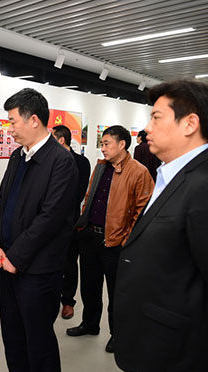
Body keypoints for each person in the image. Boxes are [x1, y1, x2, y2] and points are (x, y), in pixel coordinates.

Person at [112, 80, 208, 372]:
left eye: (156, 117)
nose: (147, 128)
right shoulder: (171, 175)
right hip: (158, 340)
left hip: (178, 349)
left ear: (190, 124)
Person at [0, 88, 78, 372]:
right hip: (7, 260)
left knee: (38, 333)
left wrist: (16, 256)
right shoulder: (18, 156)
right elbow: (1, 201)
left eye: (13, 121)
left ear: (34, 120)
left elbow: (50, 219)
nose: (9, 128)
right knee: (11, 324)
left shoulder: (61, 161)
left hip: (37, 267)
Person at [68, 125, 153, 354]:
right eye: (102, 144)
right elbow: (89, 197)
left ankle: (118, 334)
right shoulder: (100, 167)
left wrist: (127, 239)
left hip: (115, 242)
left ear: (122, 144)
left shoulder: (139, 172)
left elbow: (143, 211)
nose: (103, 148)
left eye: (107, 143)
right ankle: (90, 323)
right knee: (89, 286)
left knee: (117, 292)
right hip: (90, 236)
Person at [51, 124, 91, 320]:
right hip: (48, 223)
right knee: (50, 263)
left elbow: (78, 194)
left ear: (61, 140)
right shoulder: (48, 160)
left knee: (69, 263)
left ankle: (68, 301)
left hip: (70, 222)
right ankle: (50, 299)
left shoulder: (81, 162)